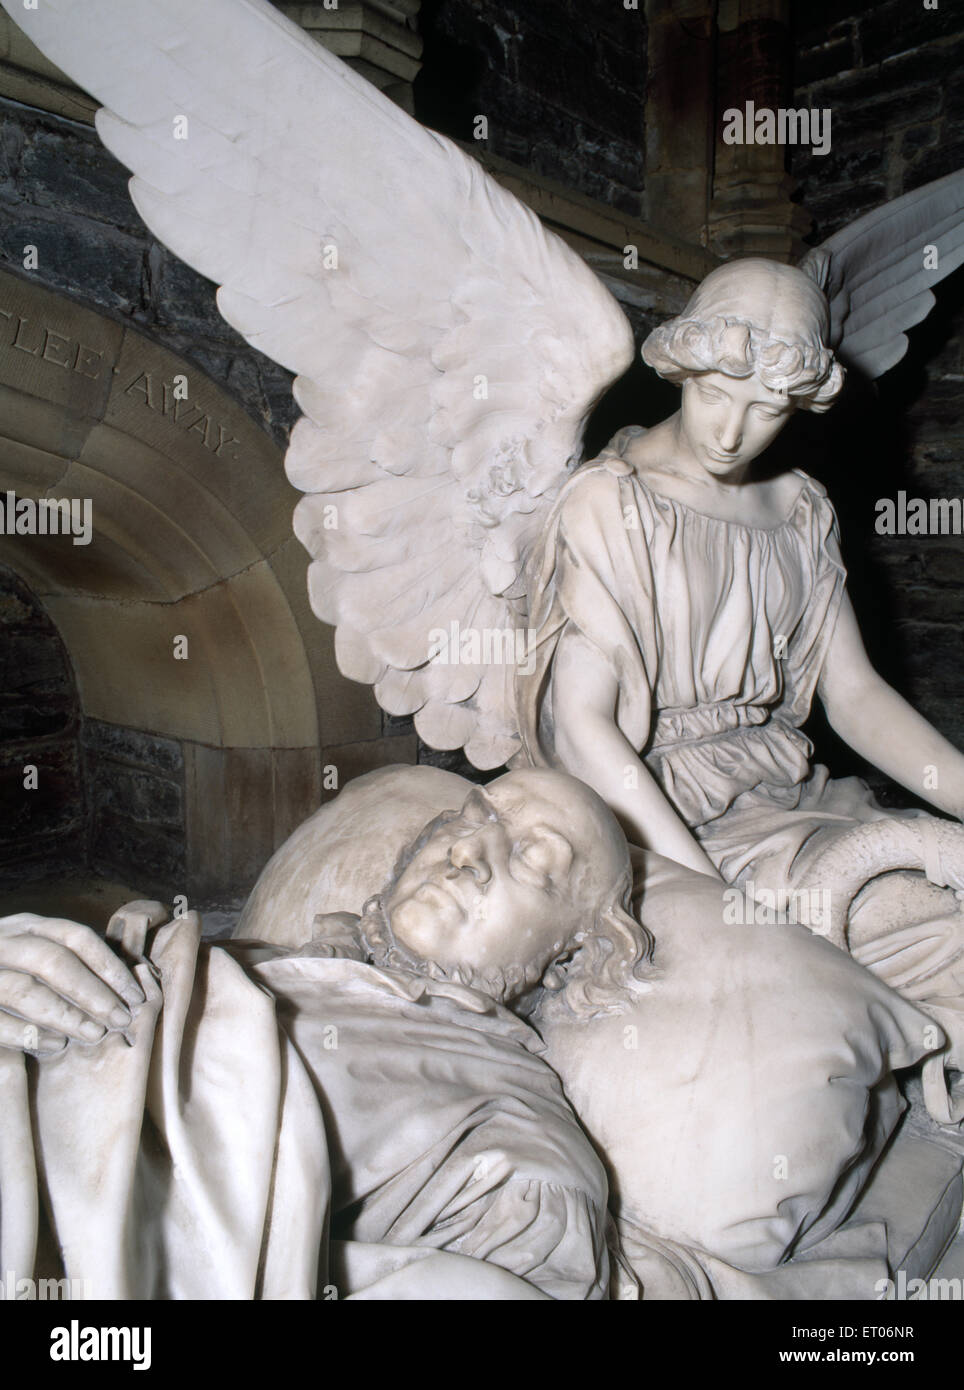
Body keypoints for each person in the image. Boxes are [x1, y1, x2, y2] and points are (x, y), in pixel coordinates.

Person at [516, 258, 964, 1098]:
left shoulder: (800, 509)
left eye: (767, 410)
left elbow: (858, 697)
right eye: (714, 394)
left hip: (784, 795)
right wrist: (713, 902)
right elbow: (583, 726)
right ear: (681, 369)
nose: (730, 432)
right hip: (657, 816)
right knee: (921, 920)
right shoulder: (611, 503)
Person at [0, 769, 649, 1300]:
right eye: (471, 816)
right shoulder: (262, 958)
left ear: (571, 956)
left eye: (534, 862)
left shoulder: (514, 1130)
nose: (469, 852)